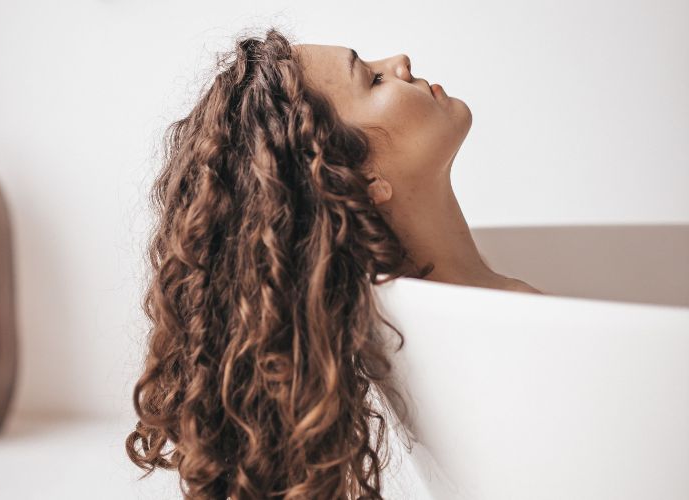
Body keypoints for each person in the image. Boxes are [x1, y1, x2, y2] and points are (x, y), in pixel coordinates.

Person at [125, 27, 542, 500]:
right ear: (360, 178)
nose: (400, 61)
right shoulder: (512, 317)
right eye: (374, 81)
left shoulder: (458, 310)